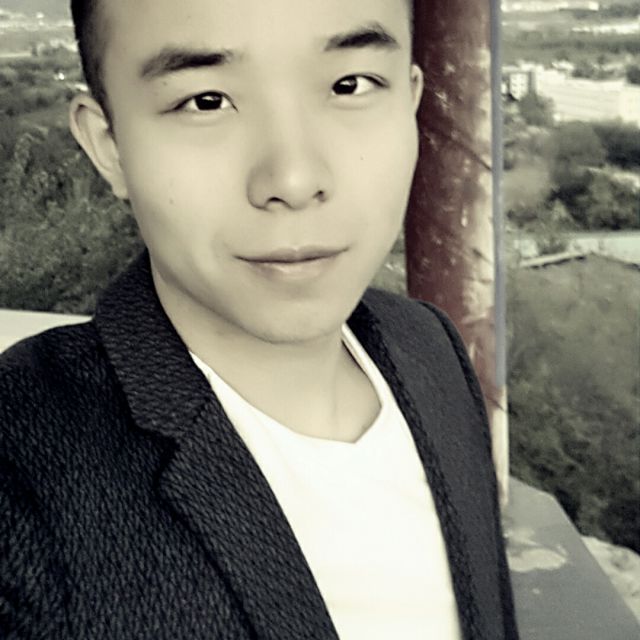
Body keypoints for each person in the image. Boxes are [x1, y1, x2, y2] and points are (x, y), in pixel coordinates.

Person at [0, 0, 519, 638]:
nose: (294, 180)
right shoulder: (22, 470)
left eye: (350, 85)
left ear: (410, 105)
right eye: (206, 101)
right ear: (109, 148)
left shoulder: (428, 347)